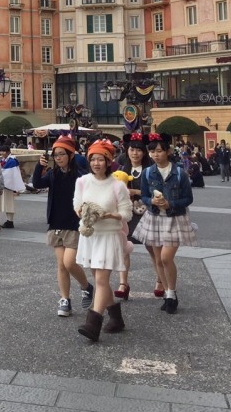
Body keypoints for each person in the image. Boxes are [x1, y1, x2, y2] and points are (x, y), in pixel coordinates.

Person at [73, 139, 132, 341]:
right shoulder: (82, 182)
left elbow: (127, 212)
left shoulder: (117, 186)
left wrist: (111, 215)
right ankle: (116, 318)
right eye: (93, 159)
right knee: (101, 281)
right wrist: (81, 211)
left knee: (100, 280)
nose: (96, 163)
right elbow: (76, 204)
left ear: (108, 161)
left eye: (101, 159)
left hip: (109, 235)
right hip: (90, 235)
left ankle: (93, 323)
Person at [132, 132, 195, 314]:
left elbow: (188, 198)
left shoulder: (179, 173)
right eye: (152, 152)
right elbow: (144, 195)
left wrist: (170, 204)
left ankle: (172, 291)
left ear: (167, 151)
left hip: (174, 218)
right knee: (159, 259)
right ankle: (169, 294)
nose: (155, 155)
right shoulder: (148, 172)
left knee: (167, 258)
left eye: (159, 151)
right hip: (154, 217)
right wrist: (150, 201)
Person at [31, 136, 93, 318]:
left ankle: (86, 286)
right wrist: (38, 166)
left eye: (61, 154)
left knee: (69, 262)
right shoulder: (52, 174)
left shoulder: (81, 176)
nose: (58, 158)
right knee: (61, 265)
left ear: (70, 155)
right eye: (55, 155)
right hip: (56, 223)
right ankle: (65, 299)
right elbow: (37, 184)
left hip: (73, 223)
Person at [114, 133, 162, 301]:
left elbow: (156, 192)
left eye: (138, 150)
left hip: (147, 212)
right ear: (127, 151)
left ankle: (160, 279)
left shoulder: (151, 170)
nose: (135, 153)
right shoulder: (121, 170)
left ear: (144, 152)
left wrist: (134, 192)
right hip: (127, 214)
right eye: (132, 149)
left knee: (152, 248)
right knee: (124, 248)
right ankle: (123, 283)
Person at [0, 145, 26, 228]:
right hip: (5, 185)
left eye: (3, 151)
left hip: (9, 186)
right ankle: (8, 220)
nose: (2, 153)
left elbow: (11, 174)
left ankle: (10, 221)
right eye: (1, 151)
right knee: (6, 204)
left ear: (8, 152)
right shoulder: (4, 161)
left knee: (9, 204)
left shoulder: (12, 161)